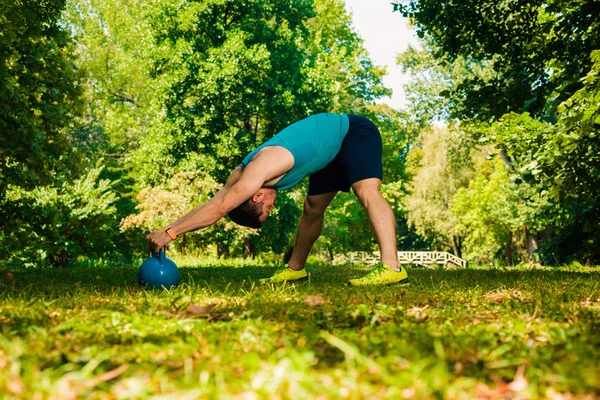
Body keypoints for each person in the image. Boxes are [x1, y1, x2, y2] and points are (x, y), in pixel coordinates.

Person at [146, 113, 409, 286]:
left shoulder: (261, 170)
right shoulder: (240, 177)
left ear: (256, 195)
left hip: (353, 133)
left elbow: (221, 207)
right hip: (330, 154)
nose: (273, 207)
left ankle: (392, 268)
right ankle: (296, 269)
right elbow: (217, 203)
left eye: (268, 208)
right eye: (270, 210)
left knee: (366, 191)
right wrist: (170, 227)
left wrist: (171, 233)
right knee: (312, 208)